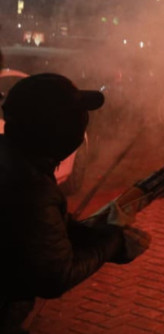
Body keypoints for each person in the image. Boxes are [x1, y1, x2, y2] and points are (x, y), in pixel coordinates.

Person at [0, 73, 150, 333]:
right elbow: (55, 276)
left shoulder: (13, 158)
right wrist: (113, 243)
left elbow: (35, 232)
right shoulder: (31, 186)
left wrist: (89, 231)